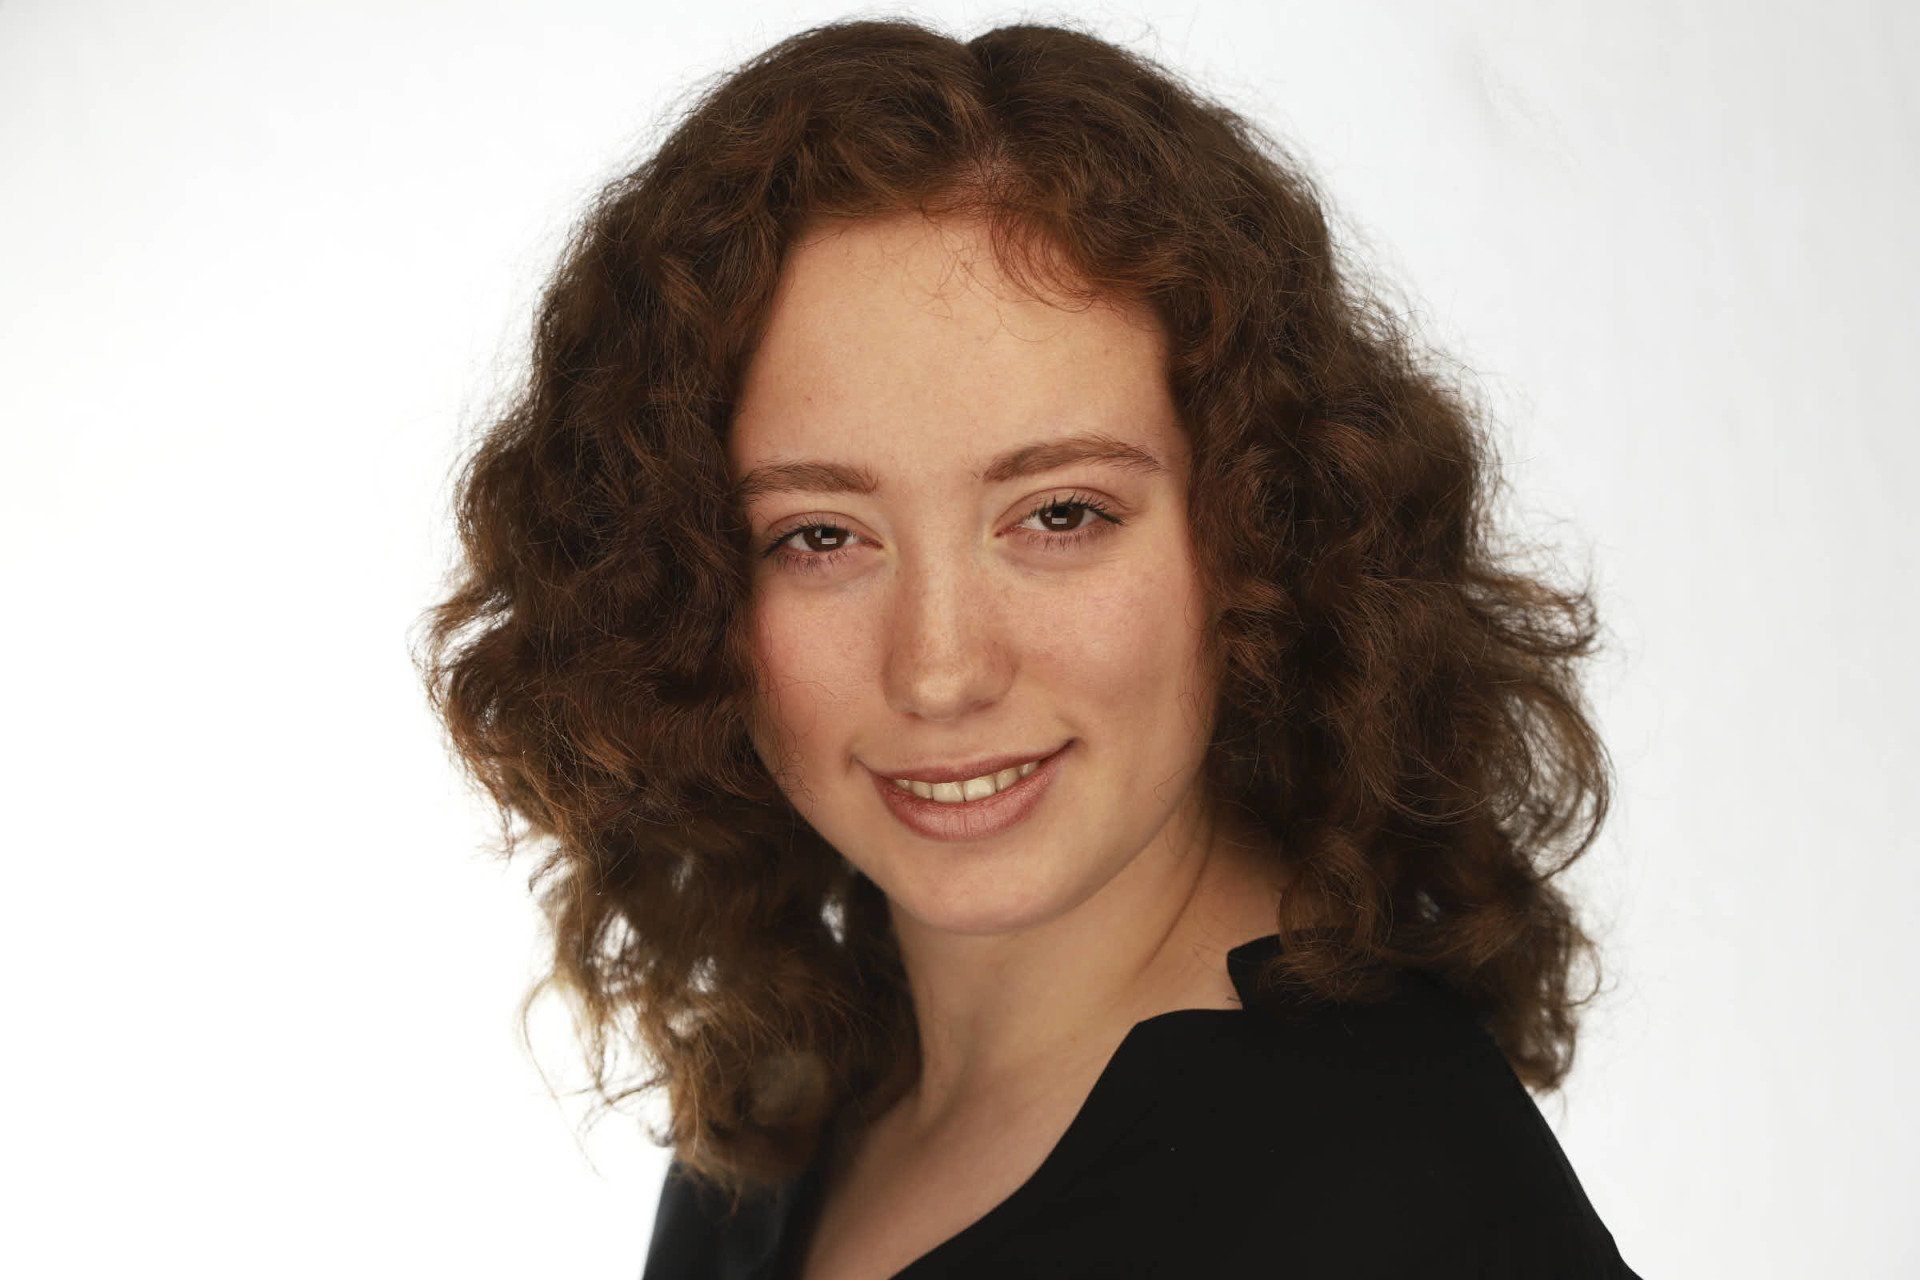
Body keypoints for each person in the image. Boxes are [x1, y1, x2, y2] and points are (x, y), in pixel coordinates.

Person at [419, 17, 1641, 1280]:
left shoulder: (1404, 1205)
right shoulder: (781, 1111)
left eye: (1060, 515)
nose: (940, 669)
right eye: (820, 535)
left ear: (1263, 533)